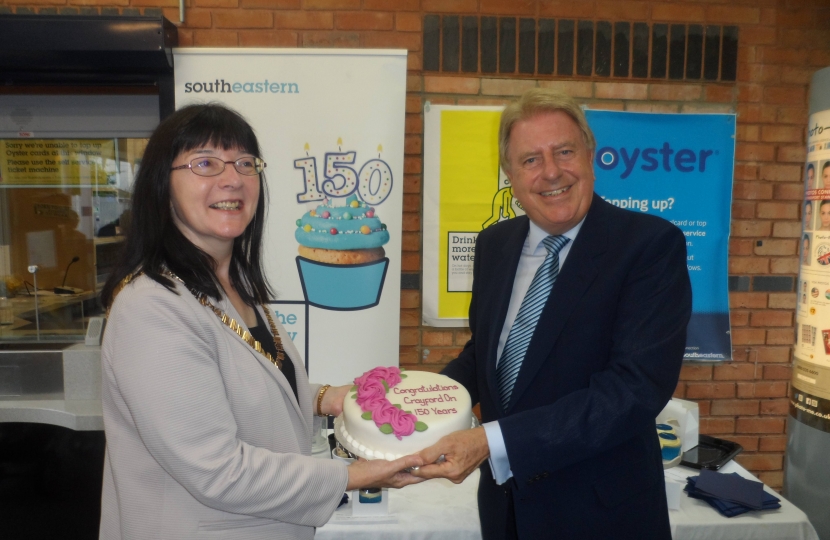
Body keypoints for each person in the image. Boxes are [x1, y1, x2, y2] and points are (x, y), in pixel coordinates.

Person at [99, 104, 422, 539]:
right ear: (162, 185)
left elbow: (238, 390)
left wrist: (327, 398)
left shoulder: (234, 286)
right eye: (205, 163)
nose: (232, 178)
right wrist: (356, 475)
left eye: (245, 163)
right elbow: (216, 470)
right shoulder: (151, 308)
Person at [411, 89, 692, 539]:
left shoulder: (648, 246)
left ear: (590, 154)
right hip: (507, 510)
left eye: (564, 151)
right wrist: (407, 403)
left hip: (601, 516)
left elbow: (632, 390)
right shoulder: (495, 245)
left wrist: (492, 442)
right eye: (530, 160)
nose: (551, 172)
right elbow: (487, 355)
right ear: (509, 174)